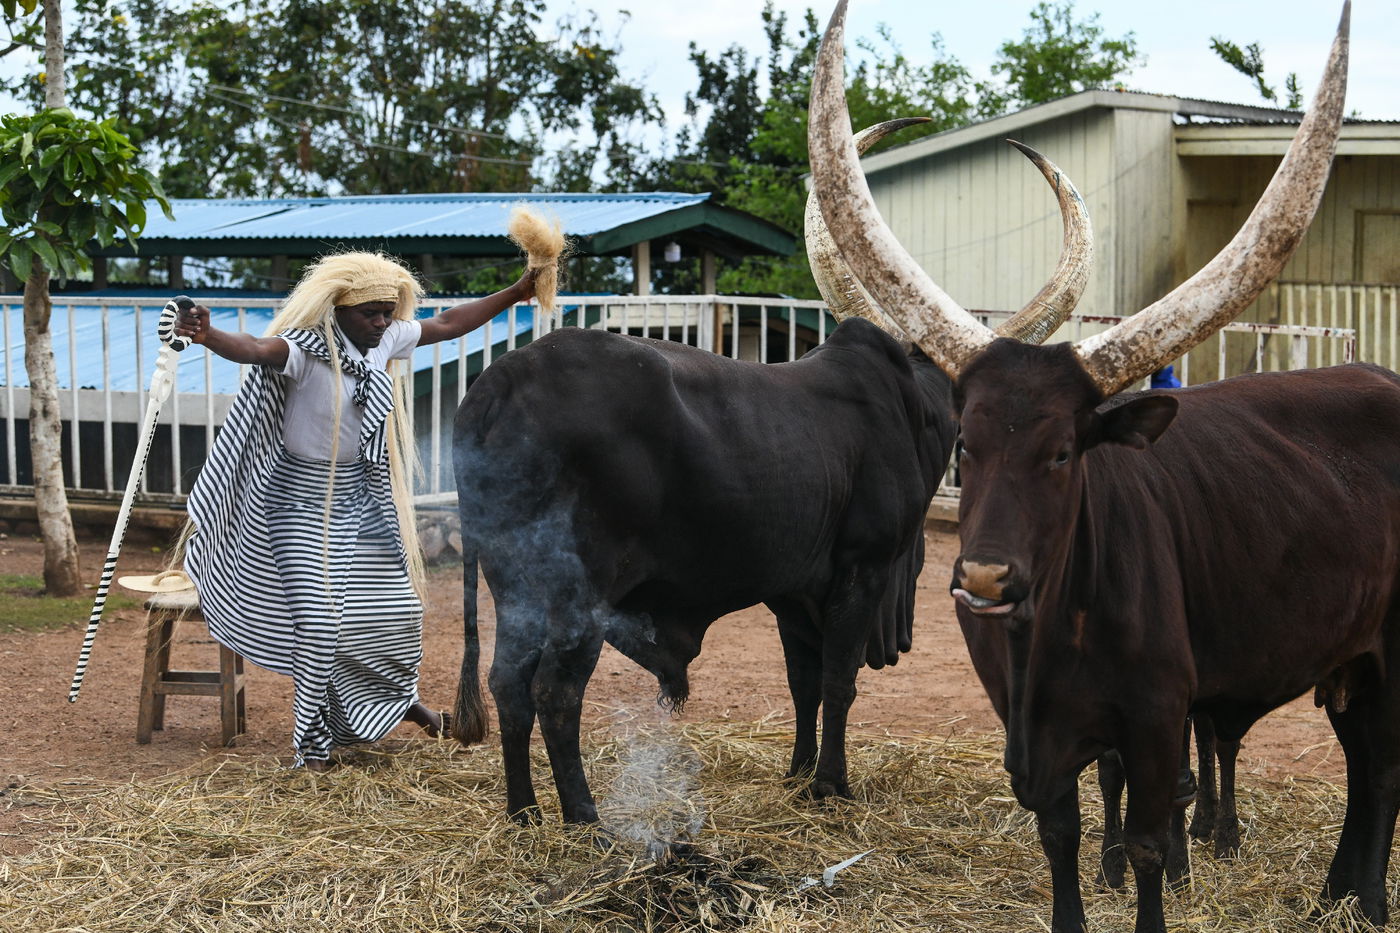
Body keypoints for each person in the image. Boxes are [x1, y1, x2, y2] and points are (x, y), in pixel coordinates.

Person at [172, 251, 536, 771]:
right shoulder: (304, 349)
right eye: (371, 313)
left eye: (388, 312)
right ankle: (311, 748)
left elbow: (450, 323)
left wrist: (518, 290)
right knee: (319, 626)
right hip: (297, 505)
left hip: (361, 498)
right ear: (338, 310)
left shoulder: (384, 340)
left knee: (395, 612)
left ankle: (400, 706)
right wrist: (208, 336)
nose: (383, 322)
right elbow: (253, 347)